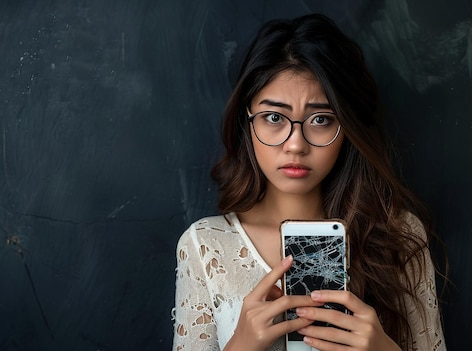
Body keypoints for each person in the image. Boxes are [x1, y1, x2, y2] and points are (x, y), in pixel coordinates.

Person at [172, 13, 447, 351]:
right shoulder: (205, 246)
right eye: (274, 117)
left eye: (320, 119)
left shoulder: (399, 236)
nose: (296, 144)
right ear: (248, 122)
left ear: (347, 130)